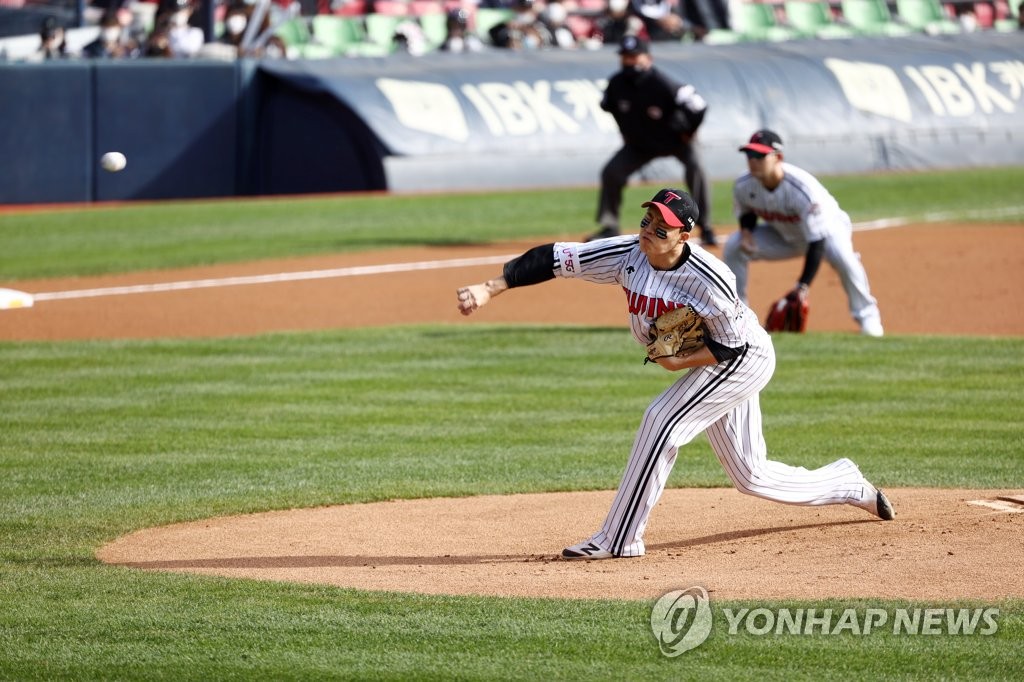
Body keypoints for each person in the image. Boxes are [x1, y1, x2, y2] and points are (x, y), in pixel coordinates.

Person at [456, 187, 895, 560]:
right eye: (647, 220)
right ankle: (845, 483)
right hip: (722, 357)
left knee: (662, 420)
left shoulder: (711, 279)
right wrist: (489, 288)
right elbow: (552, 258)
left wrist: (675, 362)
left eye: (661, 228)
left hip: (740, 358)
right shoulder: (628, 253)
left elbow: (729, 346)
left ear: (683, 235)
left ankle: (620, 538)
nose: (649, 231)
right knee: (751, 476)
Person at [723, 130, 885, 337]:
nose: (753, 161)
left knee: (845, 259)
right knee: (734, 245)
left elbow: (817, 242)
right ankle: (739, 319)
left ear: (778, 157)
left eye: (760, 156)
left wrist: (802, 286)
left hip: (828, 233)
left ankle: (868, 317)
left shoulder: (802, 190)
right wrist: (746, 233)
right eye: (749, 155)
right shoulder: (744, 185)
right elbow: (747, 211)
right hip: (784, 235)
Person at [589, 35, 717, 247]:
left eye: (634, 56)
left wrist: (690, 130)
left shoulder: (663, 83)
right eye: (625, 57)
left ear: (648, 58)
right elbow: (609, 106)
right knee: (612, 172)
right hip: (640, 144)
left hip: (677, 140)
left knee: (697, 168)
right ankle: (609, 226)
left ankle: (707, 227)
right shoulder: (617, 83)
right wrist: (625, 130)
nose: (629, 61)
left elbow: (699, 106)